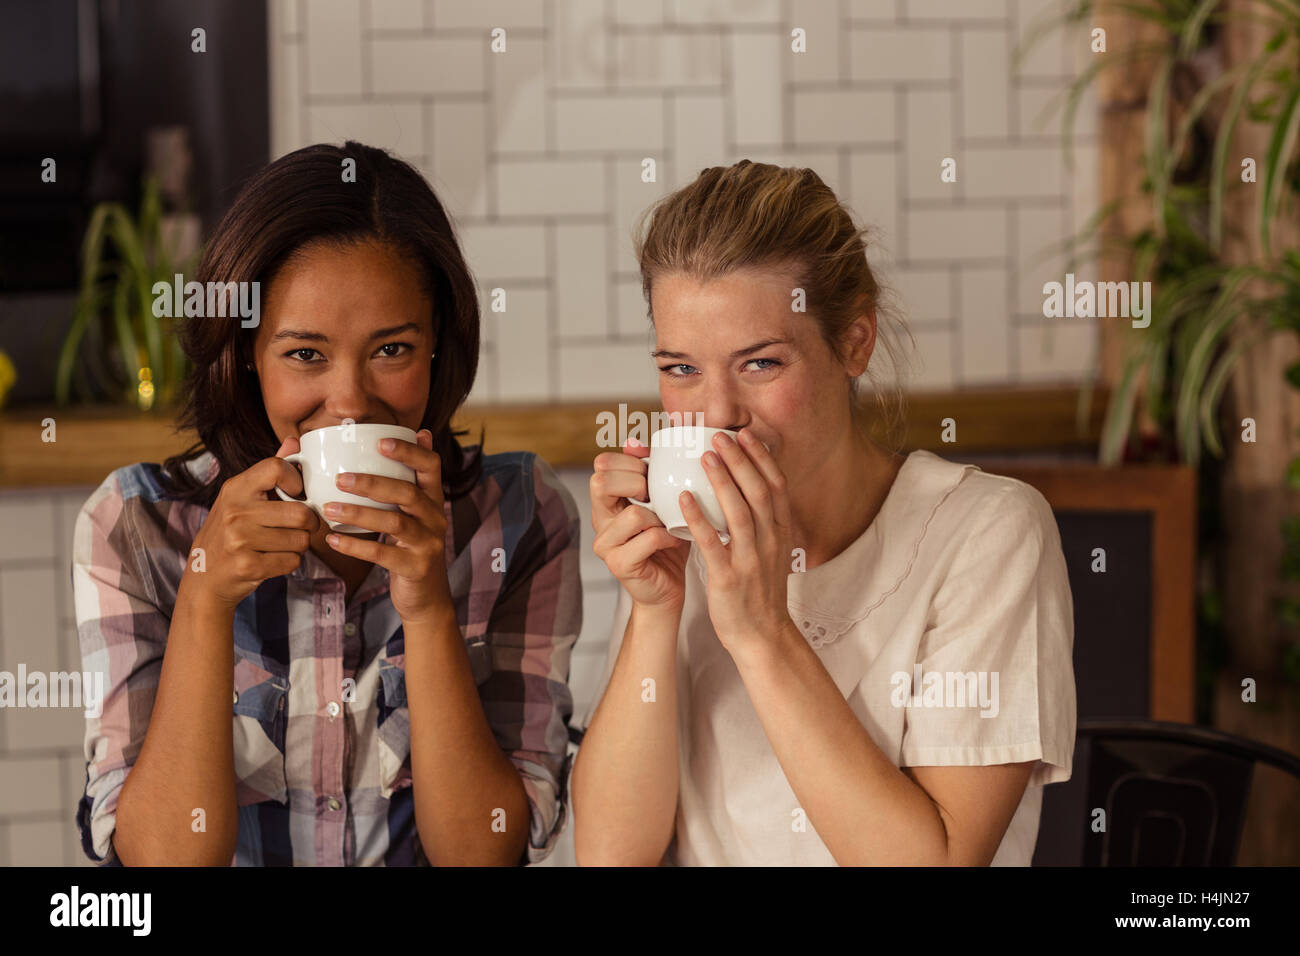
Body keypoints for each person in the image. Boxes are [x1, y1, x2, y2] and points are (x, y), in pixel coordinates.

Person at [72, 141, 582, 866]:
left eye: (392, 350)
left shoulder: (520, 514)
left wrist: (430, 608)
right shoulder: (136, 525)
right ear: (247, 354)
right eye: (305, 354)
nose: (349, 403)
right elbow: (161, 862)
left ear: (439, 344)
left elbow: (484, 853)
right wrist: (206, 598)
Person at [572, 160, 1076, 866]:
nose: (715, 413)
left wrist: (764, 632)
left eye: (762, 363)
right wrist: (655, 610)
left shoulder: (987, 534)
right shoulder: (686, 536)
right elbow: (608, 857)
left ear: (854, 342)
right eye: (681, 368)